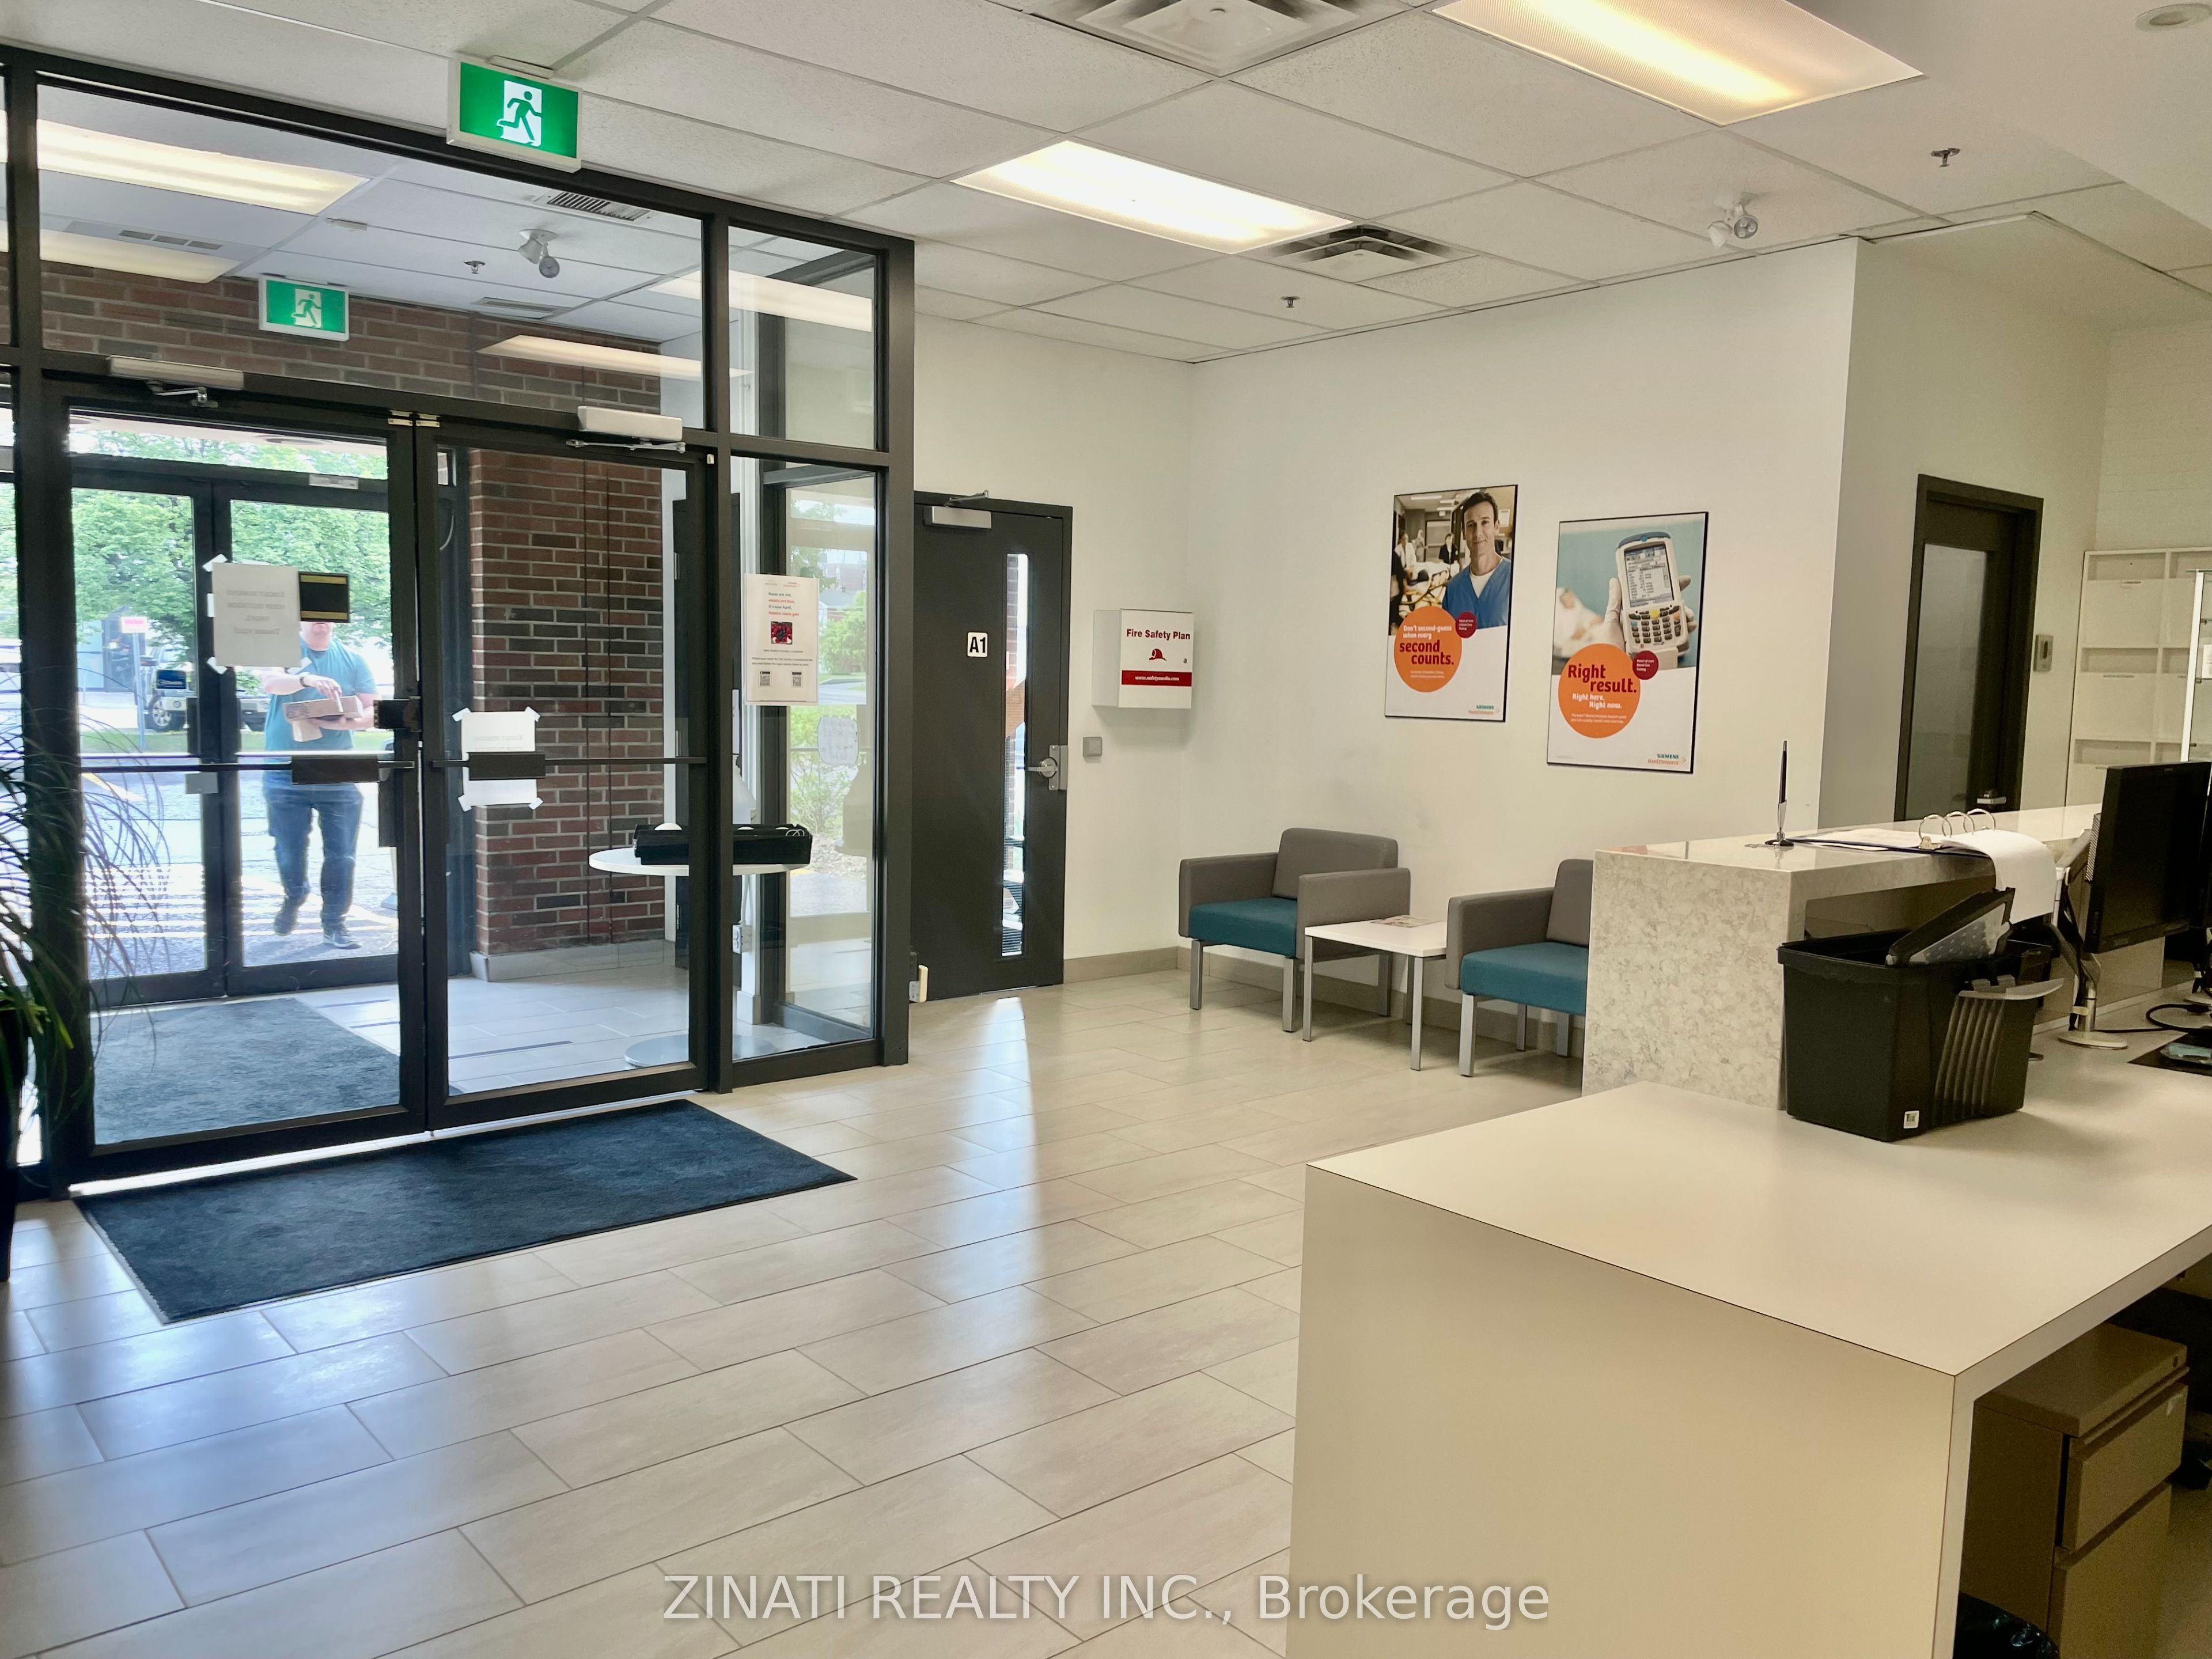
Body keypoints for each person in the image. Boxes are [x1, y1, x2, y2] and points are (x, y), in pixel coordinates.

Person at [260, 619, 376, 950]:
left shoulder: (353, 659)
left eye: (327, 616)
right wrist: (307, 679)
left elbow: (374, 708)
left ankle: (335, 922)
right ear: (300, 619)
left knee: (342, 854)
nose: (321, 622)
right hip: (284, 768)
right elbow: (270, 682)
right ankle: (295, 895)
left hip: (336, 768)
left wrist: (341, 723)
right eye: (313, 615)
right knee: (289, 848)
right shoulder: (283, 651)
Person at [1440, 491, 1513, 634]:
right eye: (1471, 525)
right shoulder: (1454, 589)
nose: (1478, 533)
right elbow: (1448, 639)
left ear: (1496, 527)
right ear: (1464, 533)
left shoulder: (1514, 579)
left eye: (1485, 523)